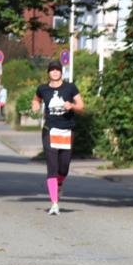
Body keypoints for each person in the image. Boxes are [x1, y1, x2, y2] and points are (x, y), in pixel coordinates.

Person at [32, 60, 83, 215]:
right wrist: (35, 105)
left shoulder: (70, 87)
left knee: (64, 167)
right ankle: (54, 203)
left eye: (57, 70)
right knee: (52, 167)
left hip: (67, 131)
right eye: (52, 70)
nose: (54, 72)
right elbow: (36, 98)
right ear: (48, 72)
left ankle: (59, 182)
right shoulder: (43, 88)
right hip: (50, 131)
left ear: (61, 72)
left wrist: (72, 106)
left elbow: (81, 106)